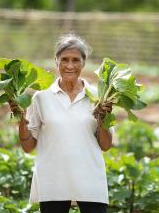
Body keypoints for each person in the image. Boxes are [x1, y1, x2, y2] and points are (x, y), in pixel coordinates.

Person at [9, 33, 113, 213]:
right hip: (53, 179)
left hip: (89, 178)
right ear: (56, 61)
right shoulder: (41, 98)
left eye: (75, 60)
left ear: (84, 63)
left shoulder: (99, 97)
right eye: (64, 60)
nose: (70, 65)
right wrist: (21, 120)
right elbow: (28, 147)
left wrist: (103, 119)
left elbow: (105, 145)